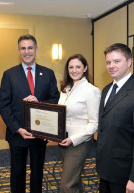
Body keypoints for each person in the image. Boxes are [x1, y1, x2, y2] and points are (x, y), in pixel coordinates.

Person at [0, 34, 60, 193]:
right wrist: (17, 128)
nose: (27, 51)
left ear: (36, 49)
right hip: (17, 133)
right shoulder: (9, 74)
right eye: (23, 48)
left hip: (40, 134)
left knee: (38, 173)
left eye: (30, 48)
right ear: (19, 51)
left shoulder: (48, 73)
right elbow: (3, 105)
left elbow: (55, 99)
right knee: (17, 173)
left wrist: (39, 103)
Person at [96, 43, 134, 193]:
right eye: (108, 62)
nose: (111, 66)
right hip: (105, 166)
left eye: (117, 61)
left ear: (129, 62)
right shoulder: (106, 90)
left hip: (124, 172)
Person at [58, 54, 101, 192]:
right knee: (74, 181)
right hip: (63, 140)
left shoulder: (92, 91)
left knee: (67, 184)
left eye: (78, 66)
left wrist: (73, 139)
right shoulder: (66, 89)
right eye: (71, 67)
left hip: (79, 143)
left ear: (85, 68)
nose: (74, 70)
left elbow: (95, 123)